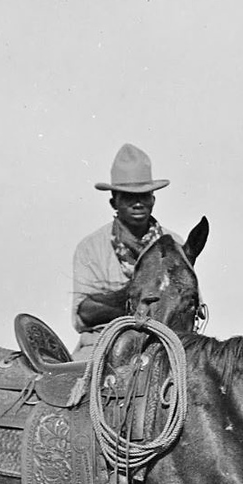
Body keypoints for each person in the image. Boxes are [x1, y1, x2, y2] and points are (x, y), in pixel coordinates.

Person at [72, 143, 185, 357]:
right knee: (78, 385)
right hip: (103, 344)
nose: (138, 203)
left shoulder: (174, 243)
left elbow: (188, 300)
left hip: (163, 344)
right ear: (113, 201)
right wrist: (139, 299)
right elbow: (83, 313)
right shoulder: (91, 247)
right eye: (129, 197)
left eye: (144, 196)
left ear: (153, 199)